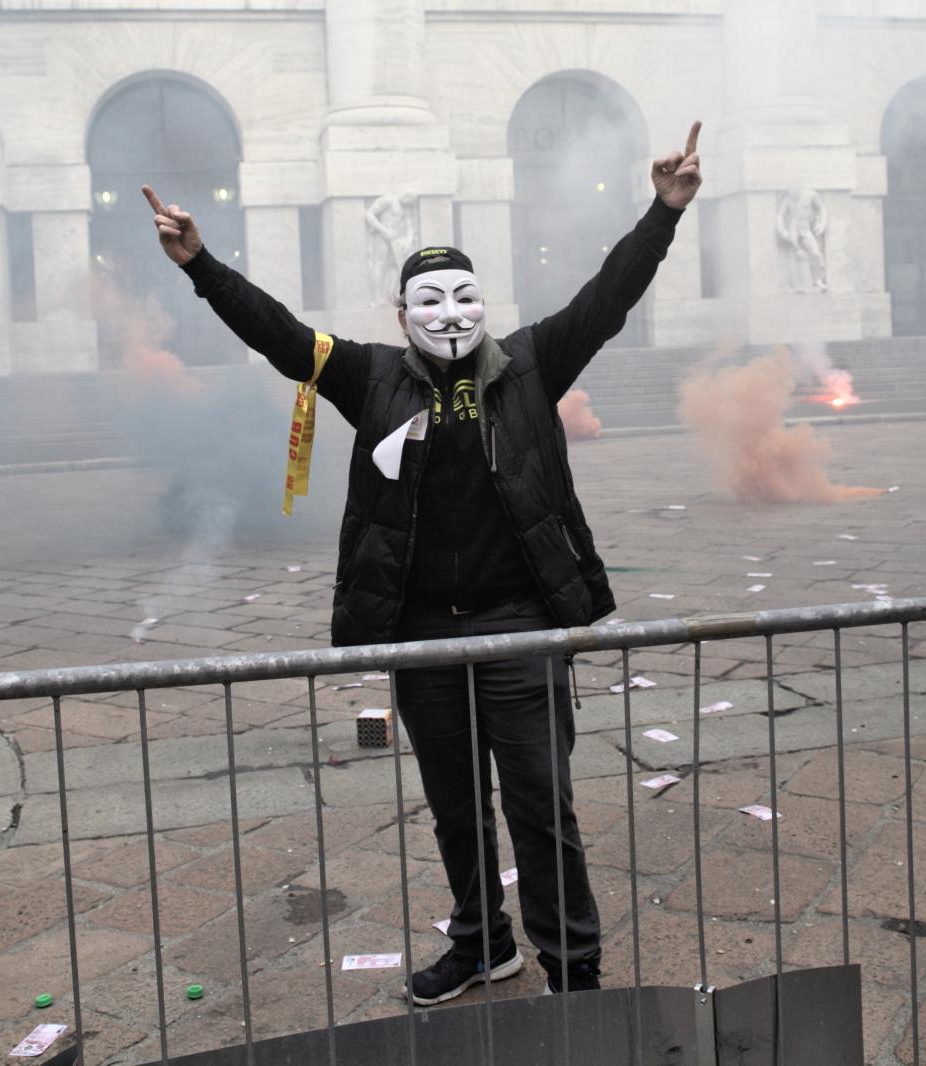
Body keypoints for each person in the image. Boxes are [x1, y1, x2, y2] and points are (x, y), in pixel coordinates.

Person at [143, 120, 702, 1004]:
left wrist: (661, 213)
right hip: (417, 634)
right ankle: (482, 944)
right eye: (430, 302)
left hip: (520, 627)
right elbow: (280, 336)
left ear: (485, 303)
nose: (451, 315)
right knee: (454, 808)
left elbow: (608, 297)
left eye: (464, 298)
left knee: (541, 808)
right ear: (400, 316)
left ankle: (575, 969)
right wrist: (200, 266)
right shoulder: (367, 376)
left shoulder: (530, 364)